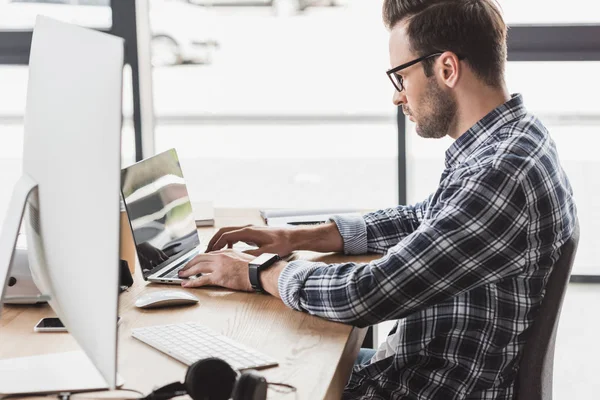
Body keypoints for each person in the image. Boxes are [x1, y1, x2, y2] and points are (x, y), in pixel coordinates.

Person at [178, 0, 577, 398]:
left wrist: (254, 273)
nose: (397, 97)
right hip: (424, 367)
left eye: (400, 78)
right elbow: (423, 219)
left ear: (447, 69)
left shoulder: (499, 175)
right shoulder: (513, 139)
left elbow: (364, 294)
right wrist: (298, 238)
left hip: (424, 386)